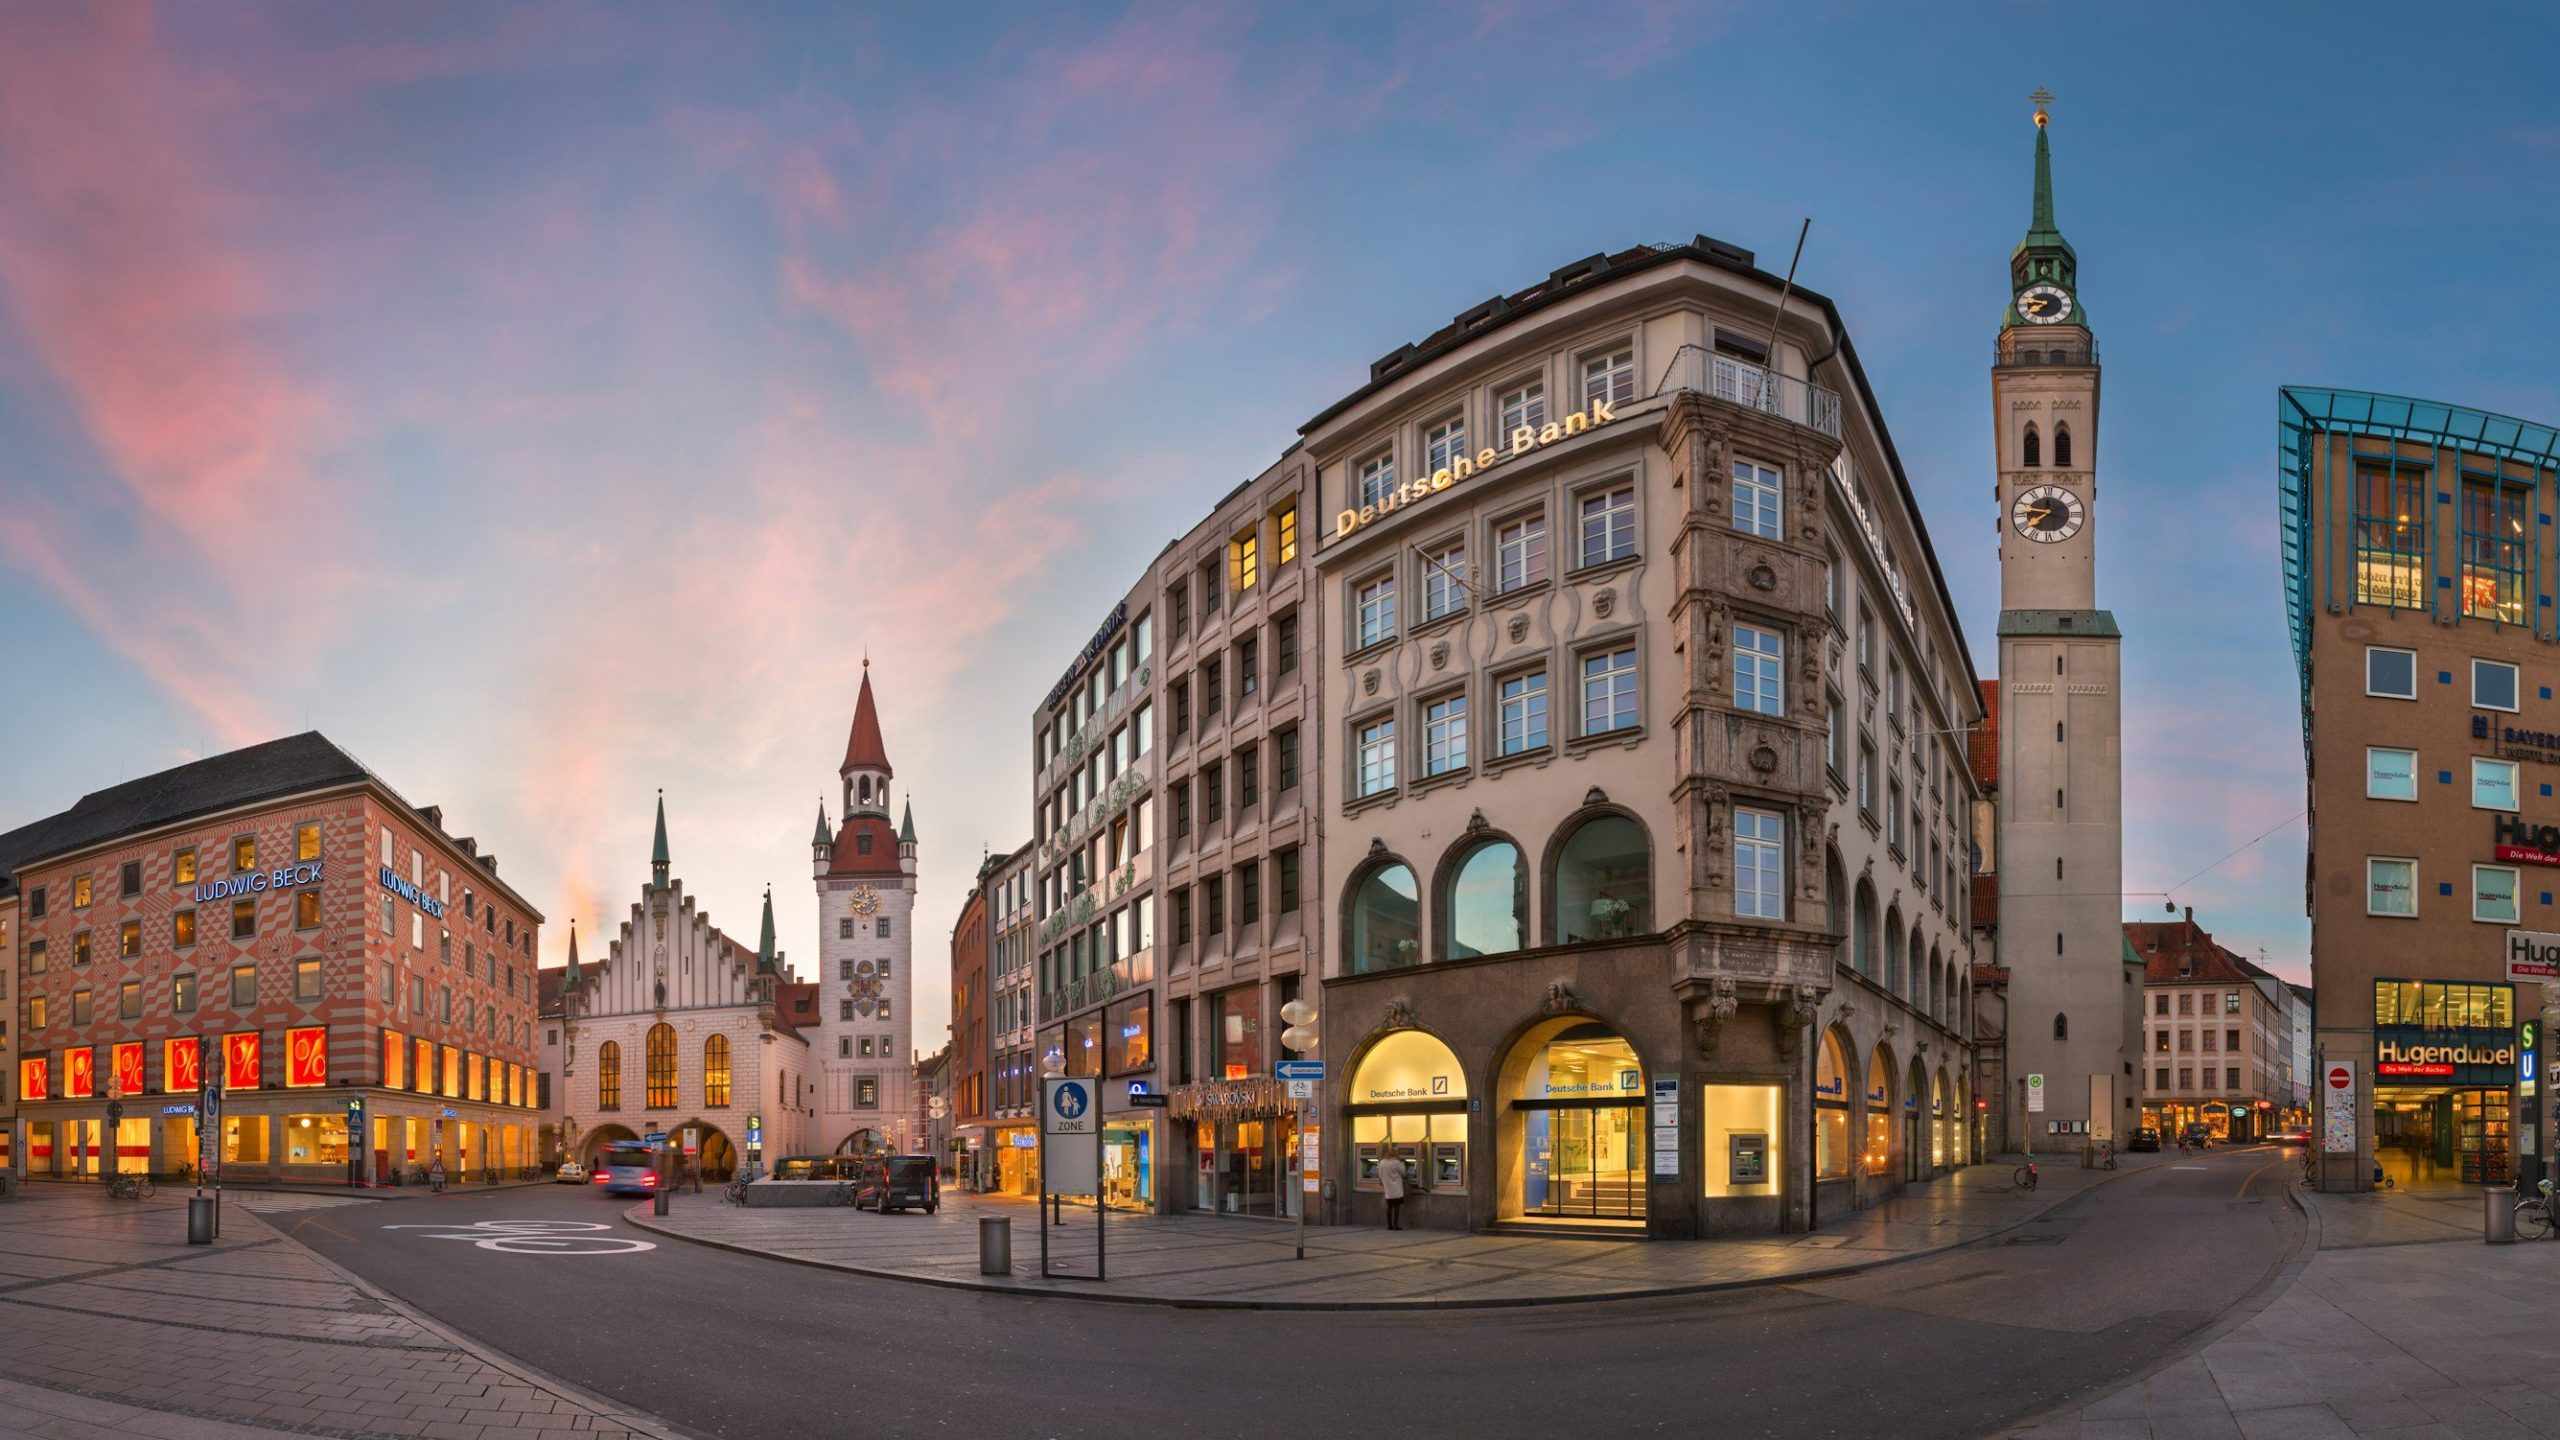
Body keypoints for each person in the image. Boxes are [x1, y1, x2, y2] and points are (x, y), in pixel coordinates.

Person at [1377, 1146, 1409, 1231]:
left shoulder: (1382, 1162)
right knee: (1396, 1207)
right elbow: (1403, 1173)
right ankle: (1395, 1225)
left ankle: (1389, 1225)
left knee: (1389, 1207)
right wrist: (1402, 1163)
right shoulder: (1396, 1162)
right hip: (1397, 1188)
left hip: (1387, 1188)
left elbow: (1380, 1175)